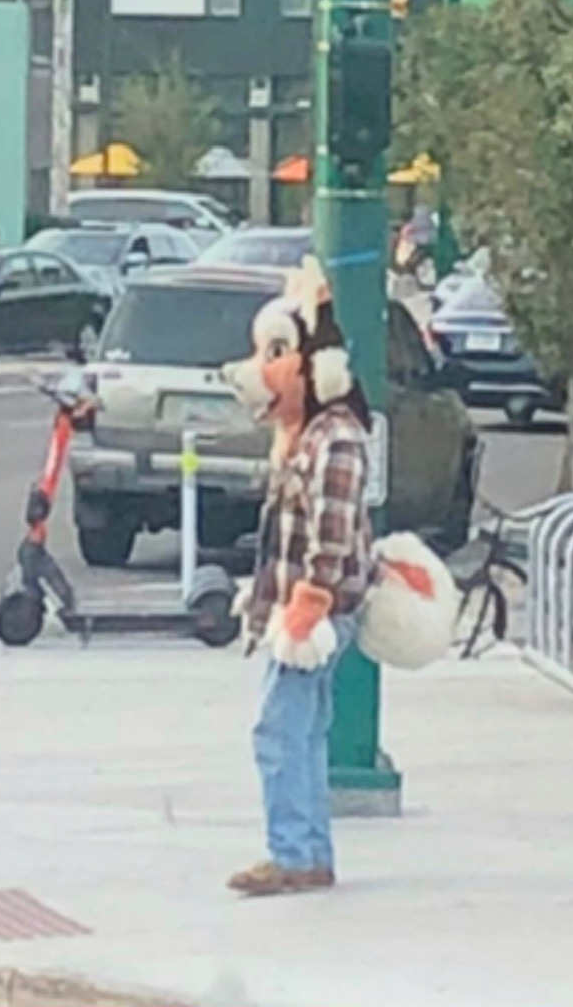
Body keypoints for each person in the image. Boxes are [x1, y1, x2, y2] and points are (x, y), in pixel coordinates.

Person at [222, 258, 373, 896]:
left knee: (280, 728)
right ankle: (306, 852)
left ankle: (293, 853)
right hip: (302, 610)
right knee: (304, 727)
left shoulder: (333, 438)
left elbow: (331, 529)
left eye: (278, 354)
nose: (263, 369)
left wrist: (308, 600)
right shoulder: (307, 435)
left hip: (313, 614)